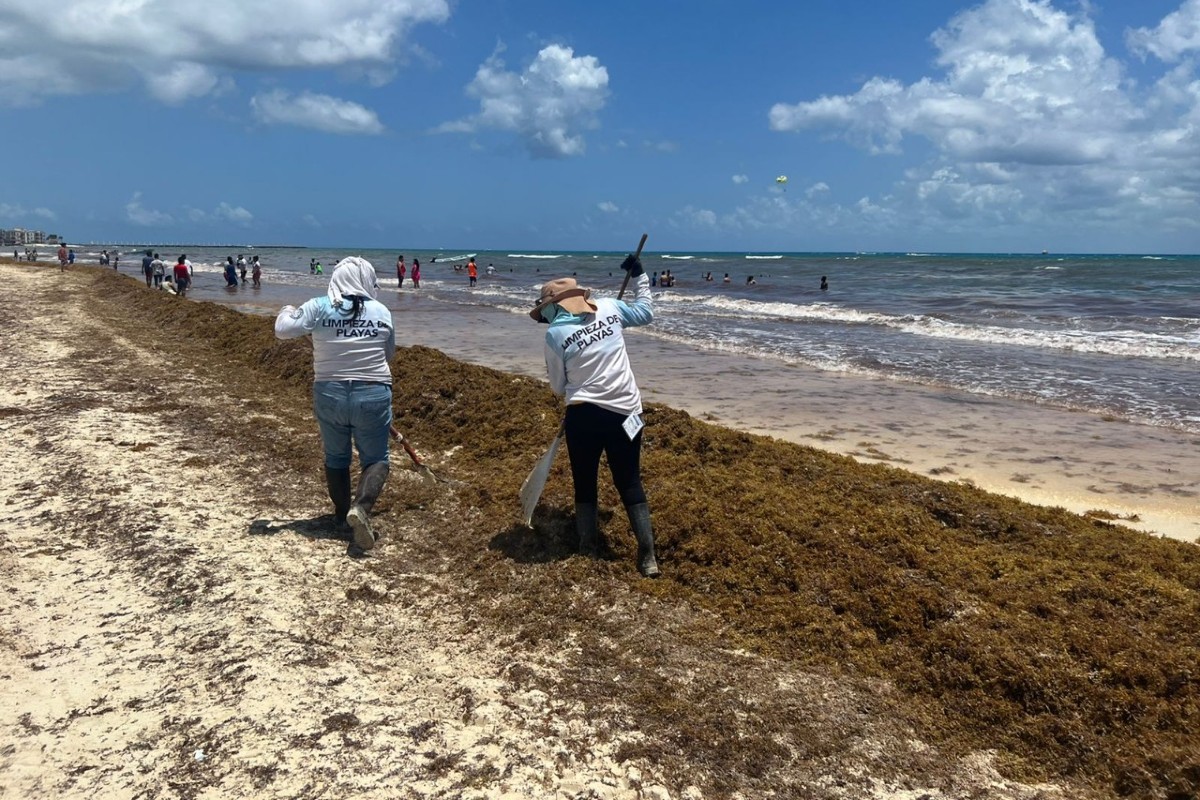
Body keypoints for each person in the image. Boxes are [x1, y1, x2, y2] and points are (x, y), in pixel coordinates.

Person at [529, 253, 660, 577]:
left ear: (554, 306)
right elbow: (646, 312)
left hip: (583, 417)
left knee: (585, 481)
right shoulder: (610, 308)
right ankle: (648, 557)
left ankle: (587, 547)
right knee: (629, 480)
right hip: (627, 413)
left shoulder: (554, 335)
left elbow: (558, 388)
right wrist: (640, 276)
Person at [274, 257, 395, 553]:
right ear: (368, 280)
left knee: (336, 456)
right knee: (376, 458)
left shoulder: (319, 306)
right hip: (373, 391)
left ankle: (342, 516)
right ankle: (361, 509)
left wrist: (287, 310)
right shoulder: (382, 311)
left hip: (330, 393)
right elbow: (388, 355)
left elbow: (283, 330)